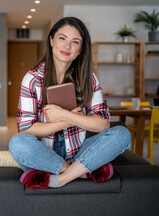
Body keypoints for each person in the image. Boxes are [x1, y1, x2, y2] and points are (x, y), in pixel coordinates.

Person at [9, 17, 131, 189]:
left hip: (78, 152)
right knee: (17, 143)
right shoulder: (33, 78)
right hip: (44, 155)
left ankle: (61, 178)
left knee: (122, 134)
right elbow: (26, 129)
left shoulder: (88, 78)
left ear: (81, 49)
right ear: (51, 40)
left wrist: (65, 114)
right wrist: (69, 120)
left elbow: (103, 124)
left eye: (75, 42)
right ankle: (80, 171)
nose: (67, 46)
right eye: (62, 38)